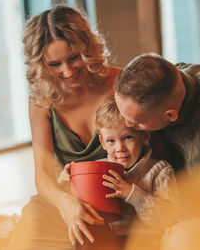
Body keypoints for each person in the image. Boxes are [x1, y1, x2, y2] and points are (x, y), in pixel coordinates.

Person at [6, 4, 122, 249]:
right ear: (41, 64)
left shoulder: (120, 83)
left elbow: (151, 149)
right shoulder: (41, 101)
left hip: (120, 196)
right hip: (65, 198)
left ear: (88, 48)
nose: (68, 71)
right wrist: (66, 204)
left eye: (74, 57)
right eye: (55, 64)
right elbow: (43, 175)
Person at [58, 94, 177, 240]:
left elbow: (169, 219)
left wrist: (131, 194)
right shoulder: (97, 171)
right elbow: (71, 205)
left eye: (128, 138)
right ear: (102, 142)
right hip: (108, 238)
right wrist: (66, 180)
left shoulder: (160, 171)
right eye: (111, 141)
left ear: (144, 136)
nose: (120, 148)